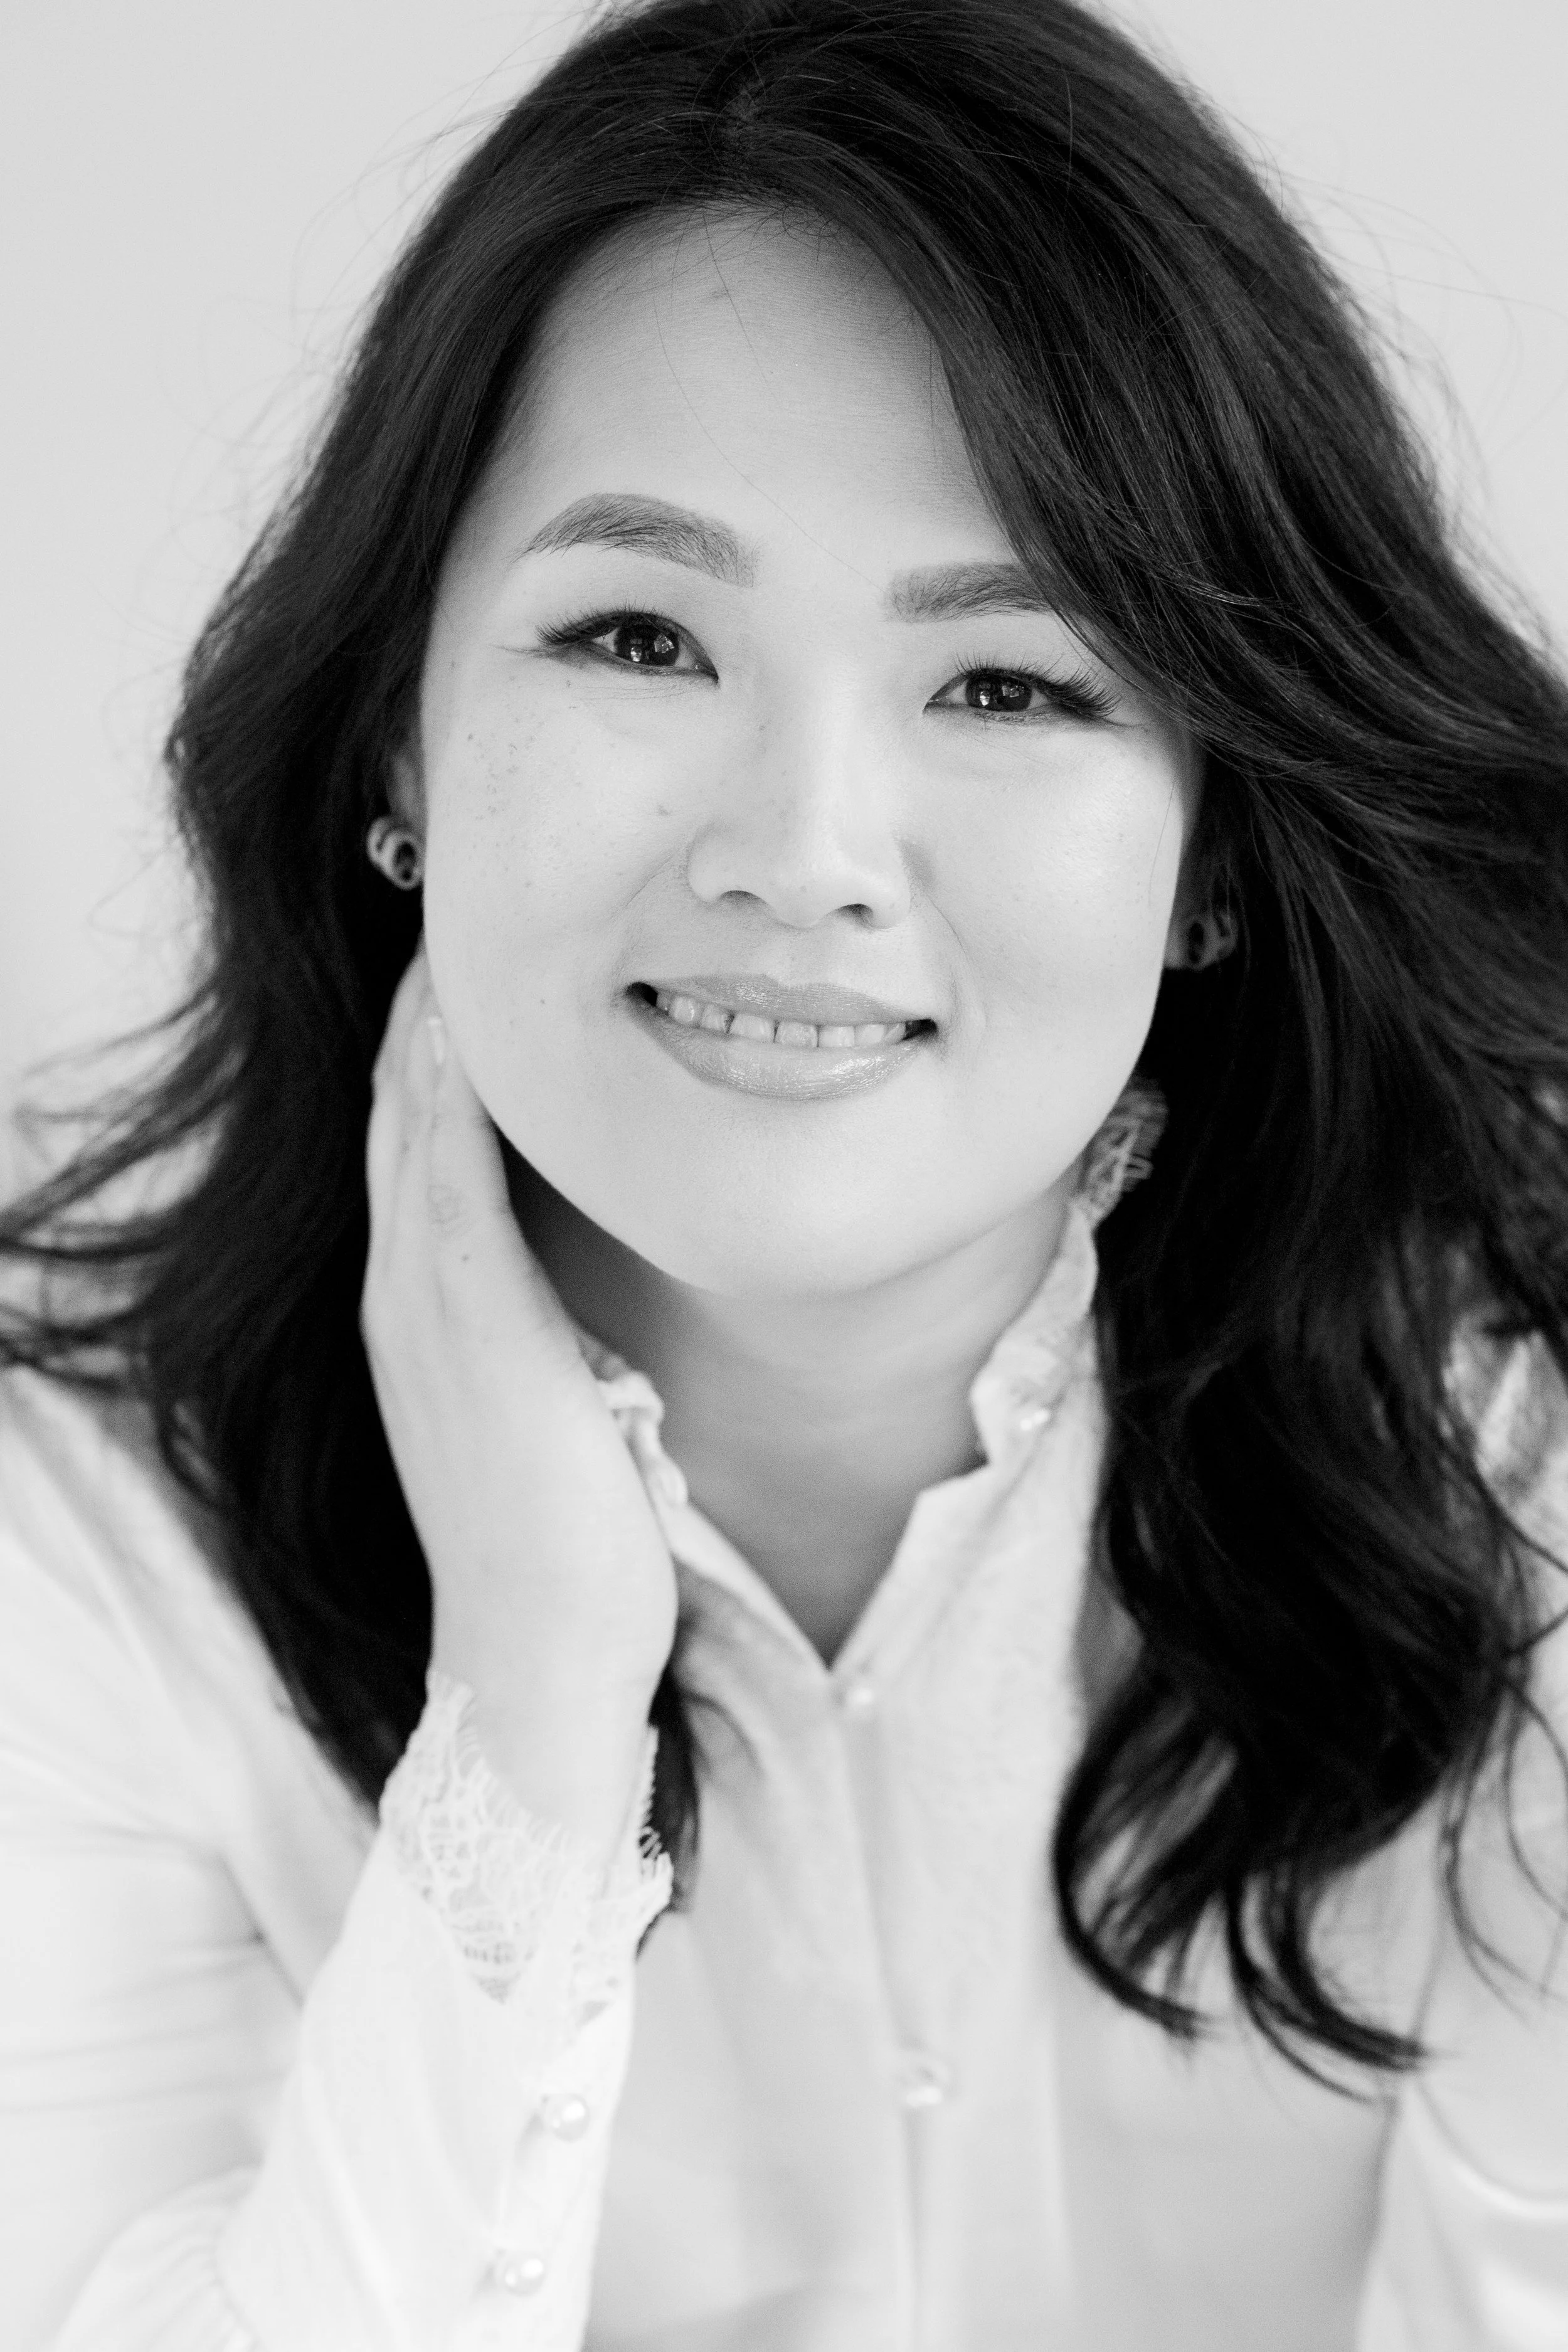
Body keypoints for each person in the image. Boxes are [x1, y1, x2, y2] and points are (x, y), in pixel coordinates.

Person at [3, 0, 1567, 2343]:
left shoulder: (1518, 1466)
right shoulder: (85, 1517)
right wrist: (530, 1704)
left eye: (1012, 682)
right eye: (639, 634)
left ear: (1211, 853)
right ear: (395, 745)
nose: (805, 853)